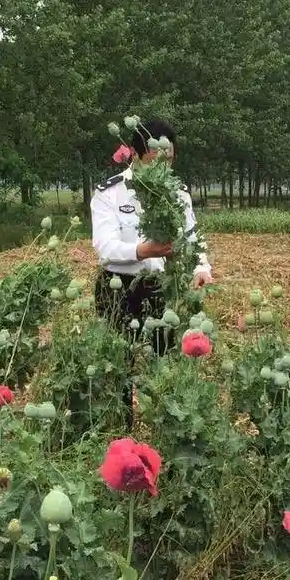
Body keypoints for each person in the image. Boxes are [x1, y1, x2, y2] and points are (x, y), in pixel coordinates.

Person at [90, 118, 212, 419]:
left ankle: (162, 423)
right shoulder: (111, 193)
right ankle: (120, 425)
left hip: (162, 289)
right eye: (156, 159)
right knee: (120, 363)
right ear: (135, 153)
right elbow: (104, 247)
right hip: (119, 288)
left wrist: (201, 268)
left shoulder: (178, 193)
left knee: (163, 363)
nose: (163, 167)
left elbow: (192, 238)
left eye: (169, 160)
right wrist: (140, 251)